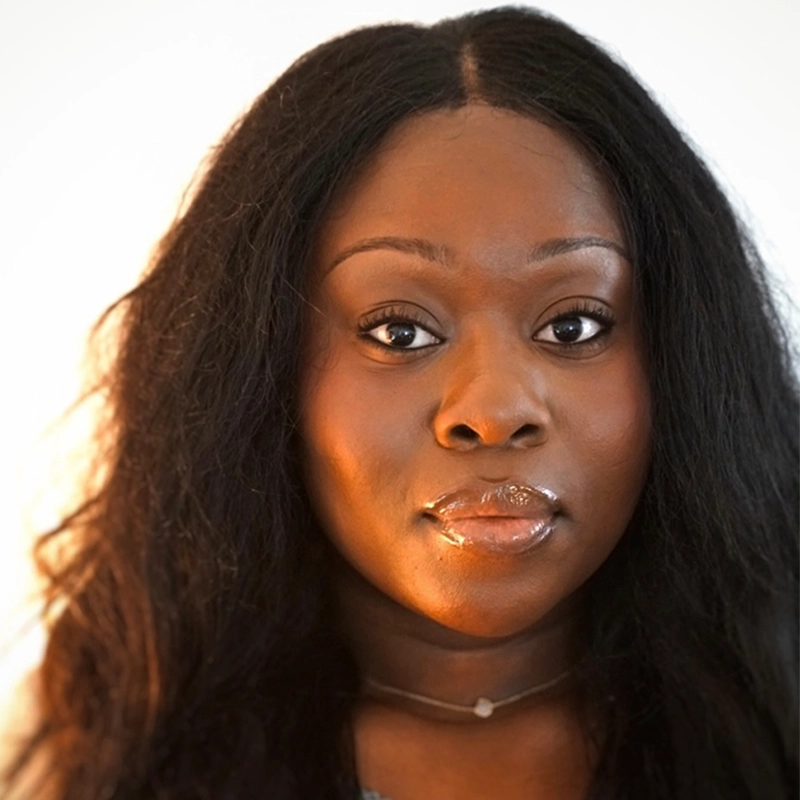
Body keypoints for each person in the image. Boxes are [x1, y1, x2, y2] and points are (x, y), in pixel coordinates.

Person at [5, 6, 797, 799]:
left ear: (688, 359)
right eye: (399, 332)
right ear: (258, 373)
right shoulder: (87, 748)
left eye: (573, 325)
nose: (494, 410)